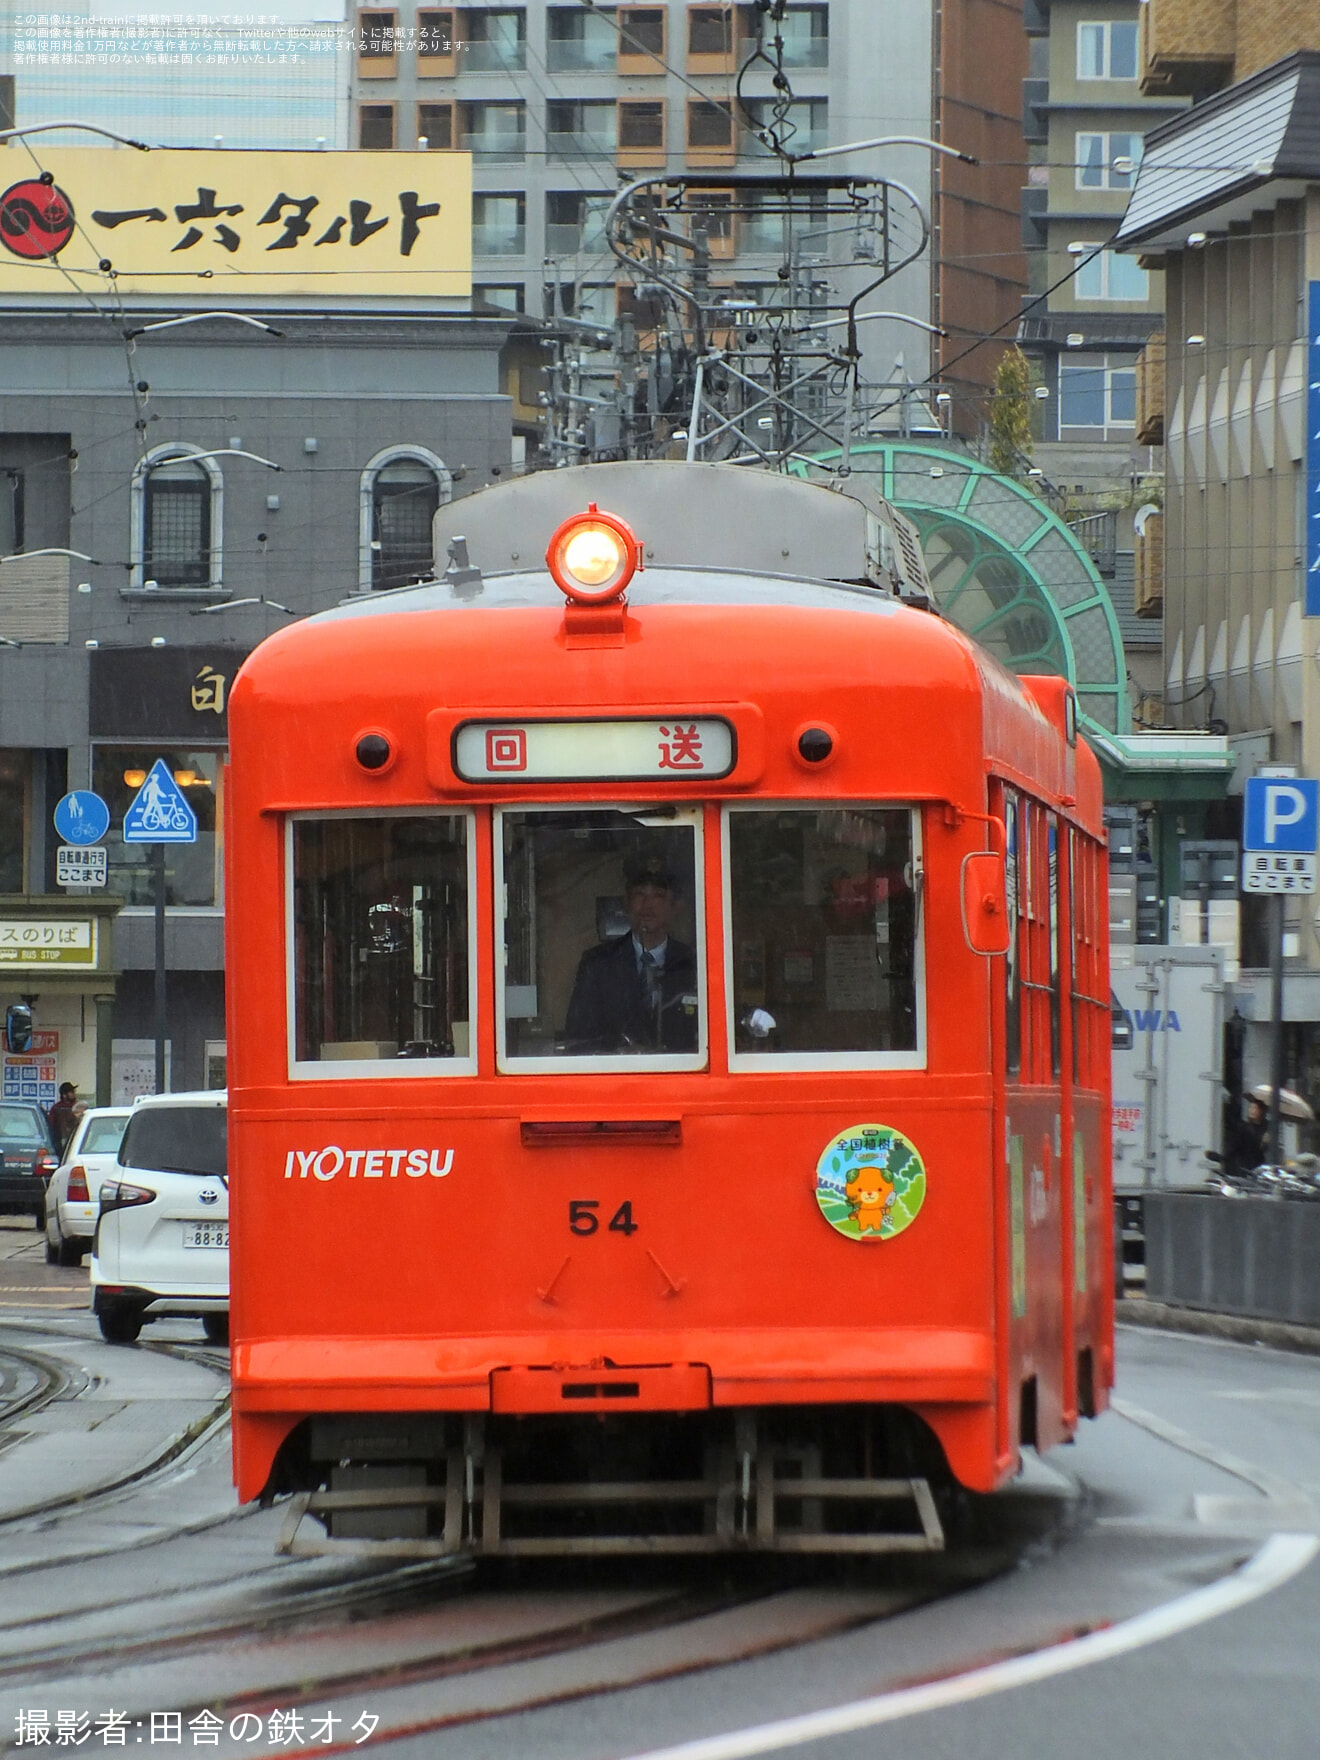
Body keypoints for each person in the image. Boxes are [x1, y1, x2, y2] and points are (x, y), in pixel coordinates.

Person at [564, 861, 699, 1052]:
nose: (648, 905)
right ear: (626, 903)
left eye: (658, 896)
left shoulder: (693, 963)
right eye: (639, 895)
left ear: (675, 906)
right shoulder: (597, 964)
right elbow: (578, 1038)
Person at [47, 1082, 80, 1155]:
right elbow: (50, 1125)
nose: (74, 1093)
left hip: (77, 1140)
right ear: (64, 1095)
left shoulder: (78, 1106)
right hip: (60, 1142)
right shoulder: (56, 1108)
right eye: (71, 1092)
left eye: (73, 1091)